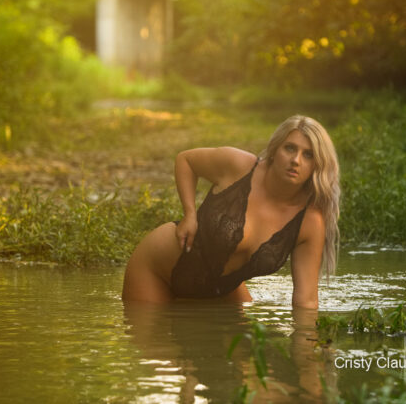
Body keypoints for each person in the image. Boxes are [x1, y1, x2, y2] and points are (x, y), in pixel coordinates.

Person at [121, 115, 340, 309]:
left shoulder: (309, 222)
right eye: (290, 148)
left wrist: (308, 341)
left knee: (244, 340)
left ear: (317, 165)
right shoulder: (239, 166)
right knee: (157, 335)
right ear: (275, 150)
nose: (296, 160)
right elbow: (186, 160)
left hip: (222, 288)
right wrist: (189, 214)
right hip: (156, 271)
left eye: (308, 155)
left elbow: (306, 301)